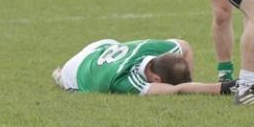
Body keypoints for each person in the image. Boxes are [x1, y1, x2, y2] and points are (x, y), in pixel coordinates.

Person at [52, 37, 236, 96]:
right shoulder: (125, 79)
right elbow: (178, 90)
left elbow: (185, 46)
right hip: (74, 71)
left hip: (101, 46)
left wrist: (191, 78)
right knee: (71, 85)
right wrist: (226, 87)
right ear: (156, 79)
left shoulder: (151, 48)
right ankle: (59, 76)